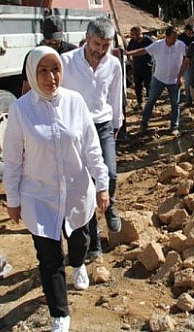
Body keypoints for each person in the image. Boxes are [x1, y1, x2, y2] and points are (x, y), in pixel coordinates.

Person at [4, 46, 109, 332]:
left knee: (80, 241)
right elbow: (12, 160)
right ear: (31, 73)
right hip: (39, 196)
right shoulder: (20, 110)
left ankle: (78, 264)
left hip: (77, 191)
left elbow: (91, 148)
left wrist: (102, 184)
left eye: (56, 69)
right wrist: (12, 199)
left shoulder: (76, 103)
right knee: (48, 257)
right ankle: (60, 313)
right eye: (43, 70)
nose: (51, 77)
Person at [60, 17, 123, 267]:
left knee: (110, 174)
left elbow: (116, 94)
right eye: (97, 44)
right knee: (86, 186)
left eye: (106, 45)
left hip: (104, 124)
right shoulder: (66, 63)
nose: (100, 50)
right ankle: (94, 243)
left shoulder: (114, 64)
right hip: (76, 130)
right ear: (87, 39)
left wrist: (117, 124)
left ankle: (109, 205)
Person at [125, 26, 186, 135]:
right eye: (173, 37)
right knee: (151, 101)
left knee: (175, 104)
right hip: (159, 78)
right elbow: (144, 51)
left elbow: (188, 57)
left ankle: (174, 126)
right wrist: (130, 53)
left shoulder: (180, 45)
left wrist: (181, 76)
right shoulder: (158, 45)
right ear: (167, 36)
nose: (175, 40)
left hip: (174, 80)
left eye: (176, 37)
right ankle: (144, 124)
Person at [21, 16, 78, 95]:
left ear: (61, 33)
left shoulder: (72, 52)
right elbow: (27, 88)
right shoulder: (33, 56)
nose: (52, 43)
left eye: (56, 41)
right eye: (49, 41)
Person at [125, 26, 155, 110]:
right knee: (138, 86)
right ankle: (140, 103)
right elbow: (129, 52)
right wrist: (131, 62)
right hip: (136, 67)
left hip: (147, 66)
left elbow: (155, 51)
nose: (132, 36)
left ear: (139, 33)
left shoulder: (148, 40)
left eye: (134, 34)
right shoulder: (132, 41)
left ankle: (150, 103)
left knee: (149, 85)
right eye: (131, 35)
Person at [177, 25, 194, 107]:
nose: (191, 34)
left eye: (192, 32)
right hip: (185, 62)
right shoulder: (180, 38)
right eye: (189, 33)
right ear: (185, 31)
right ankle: (189, 100)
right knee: (188, 81)